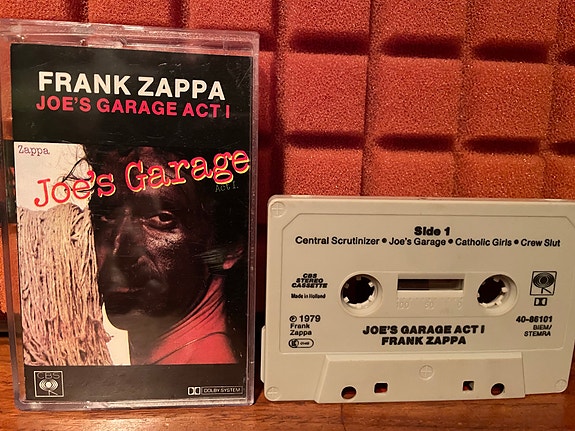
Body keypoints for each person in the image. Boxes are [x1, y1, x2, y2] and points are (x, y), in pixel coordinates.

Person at [83, 145, 246, 365]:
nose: (118, 251)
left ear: (228, 246)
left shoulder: (202, 371)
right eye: (107, 216)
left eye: (161, 218)